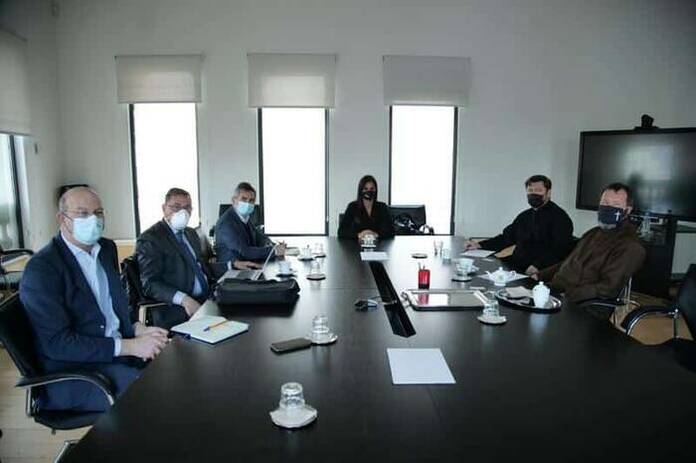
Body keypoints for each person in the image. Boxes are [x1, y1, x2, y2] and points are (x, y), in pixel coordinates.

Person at [20, 187, 168, 412]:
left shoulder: (106, 249)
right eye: (82, 213)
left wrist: (137, 328)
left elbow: (112, 305)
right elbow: (58, 344)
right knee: (156, 397)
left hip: (117, 354)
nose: (93, 220)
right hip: (76, 373)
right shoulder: (42, 269)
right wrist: (130, 346)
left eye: (98, 213)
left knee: (178, 369)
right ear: (62, 219)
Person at [136, 188, 259, 328]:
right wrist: (184, 299)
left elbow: (202, 267)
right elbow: (150, 284)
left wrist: (232, 265)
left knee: (250, 304)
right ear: (164, 208)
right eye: (176, 207)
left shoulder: (190, 233)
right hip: (180, 306)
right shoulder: (151, 238)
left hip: (209, 295)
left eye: (187, 207)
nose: (182, 212)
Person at [533, 183, 646, 309]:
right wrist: (539, 275)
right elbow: (569, 262)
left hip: (582, 306)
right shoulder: (593, 233)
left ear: (628, 210)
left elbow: (607, 288)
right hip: (554, 292)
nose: (608, 208)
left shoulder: (631, 246)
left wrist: (566, 296)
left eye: (616, 205)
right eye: (605, 203)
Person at [464, 175, 574, 275]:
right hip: (517, 262)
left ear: (548, 193)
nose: (533, 194)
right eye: (530, 190)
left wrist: (538, 266)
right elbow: (506, 238)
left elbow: (560, 249)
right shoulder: (525, 216)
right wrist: (480, 245)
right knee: (482, 267)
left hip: (539, 269)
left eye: (538, 190)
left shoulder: (560, 218)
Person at [215, 182, 285, 263]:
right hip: (233, 268)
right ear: (234, 200)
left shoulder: (245, 218)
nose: (247, 203)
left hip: (249, 264)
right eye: (244, 199)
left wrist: (272, 244)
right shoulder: (226, 222)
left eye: (251, 200)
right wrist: (274, 250)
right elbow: (246, 251)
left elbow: (259, 237)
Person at [338, 175, 394, 240]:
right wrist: (359, 234)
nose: (369, 191)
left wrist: (375, 234)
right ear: (361, 190)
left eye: (372, 189)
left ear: (376, 190)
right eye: (365, 189)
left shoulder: (382, 207)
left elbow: (391, 231)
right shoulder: (352, 207)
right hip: (356, 245)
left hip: (378, 244)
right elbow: (341, 231)